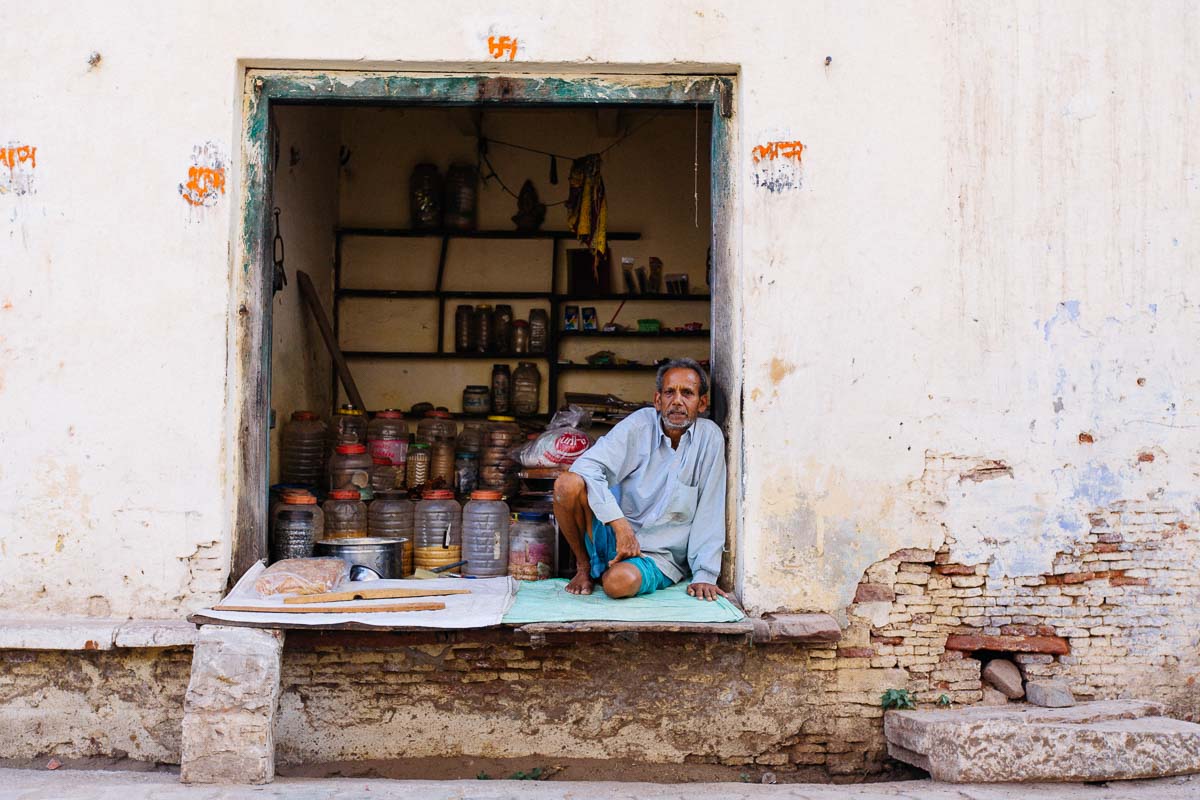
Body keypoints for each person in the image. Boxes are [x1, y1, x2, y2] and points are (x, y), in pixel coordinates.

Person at [553, 358, 728, 601]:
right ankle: (584, 567)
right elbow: (586, 465)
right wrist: (619, 524)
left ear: (702, 403)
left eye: (687, 393)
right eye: (669, 392)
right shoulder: (640, 424)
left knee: (618, 584)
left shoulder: (710, 439)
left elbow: (711, 509)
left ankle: (605, 571)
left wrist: (704, 575)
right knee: (566, 484)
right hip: (613, 535)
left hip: (658, 554)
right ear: (658, 400)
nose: (677, 401)